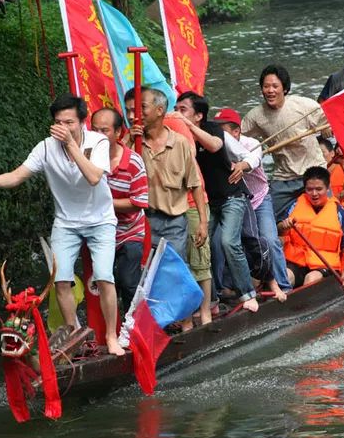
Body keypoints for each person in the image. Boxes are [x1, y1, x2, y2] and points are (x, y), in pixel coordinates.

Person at [0, 94, 125, 356]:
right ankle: (75, 335)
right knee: (60, 281)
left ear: (83, 122)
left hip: (101, 220)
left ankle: (111, 336)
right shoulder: (46, 147)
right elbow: (17, 176)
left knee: (105, 277)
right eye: (58, 122)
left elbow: (95, 177)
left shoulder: (97, 142)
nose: (63, 127)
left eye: (69, 122)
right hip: (66, 222)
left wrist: (72, 145)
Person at [123, 87, 213, 327]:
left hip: (174, 221)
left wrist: (203, 223)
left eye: (140, 109)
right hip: (142, 222)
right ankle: (153, 325)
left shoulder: (180, 143)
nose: (133, 116)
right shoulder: (133, 143)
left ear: (160, 110)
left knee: (177, 271)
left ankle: (186, 325)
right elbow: (116, 168)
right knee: (147, 275)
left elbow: (194, 185)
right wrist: (129, 140)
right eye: (130, 110)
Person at [175, 92, 260, 313]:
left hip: (232, 196)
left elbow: (214, 146)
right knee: (202, 247)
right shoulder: (177, 136)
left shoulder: (213, 129)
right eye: (176, 109)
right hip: (205, 202)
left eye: (183, 109)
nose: (177, 113)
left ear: (198, 115)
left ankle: (247, 293)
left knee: (228, 242)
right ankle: (211, 302)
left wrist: (189, 127)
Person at [214, 107, 290, 301]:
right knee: (223, 243)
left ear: (236, 132)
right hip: (236, 202)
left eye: (221, 132)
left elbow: (254, 159)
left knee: (270, 240)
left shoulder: (252, 143)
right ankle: (226, 291)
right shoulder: (215, 147)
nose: (216, 136)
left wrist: (242, 165)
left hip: (259, 198)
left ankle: (283, 286)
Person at [242, 64, 329, 221]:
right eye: (266, 86)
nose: (270, 91)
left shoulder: (303, 105)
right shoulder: (255, 116)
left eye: (275, 86)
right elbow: (237, 137)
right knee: (267, 217)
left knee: (328, 216)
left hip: (314, 171)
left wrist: (327, 129)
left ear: (285, 88)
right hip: (284, 177)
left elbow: (328, 121)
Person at [91, 107, 148, 313]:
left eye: (104, 130)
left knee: (127, 280)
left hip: (129, 229)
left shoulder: (132, 162)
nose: (98, 136)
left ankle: (135, 323)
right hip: (98, 231)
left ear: (118, 133)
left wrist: (104, 203)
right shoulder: (85, 159)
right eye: (94, 130)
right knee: (101, 281)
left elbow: (139, 202)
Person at [278, 166, 344, 289]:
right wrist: (284, 226)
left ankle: (304, 306)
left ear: (327, 188)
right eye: (310, 189)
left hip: (324, 264)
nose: (314, 194)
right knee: (286, 276)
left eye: (319, 189)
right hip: (297, 261)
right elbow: (279, 231)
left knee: (311, 279)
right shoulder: (293, 206)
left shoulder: (339, 211)